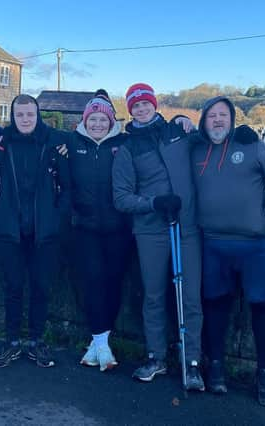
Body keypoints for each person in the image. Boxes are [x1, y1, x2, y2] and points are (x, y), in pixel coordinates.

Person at [191, 96, 265, 407]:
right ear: (203, 120)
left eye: (223, 115)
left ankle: (264, 373)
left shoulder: (251, 144)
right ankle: (216, 366)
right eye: (211, 116)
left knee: (262, 307)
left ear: (232, 119)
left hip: (256, 245)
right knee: (215, 305)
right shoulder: (195, 149)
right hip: (213, 244)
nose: (217, 120)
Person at [112, 83, 204, 390]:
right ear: (130, 110)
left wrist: (189, 122)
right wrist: (153, 203)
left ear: (155, 104)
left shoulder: (176, 132)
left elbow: (209, 142)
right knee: (153, 296)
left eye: (145, 103)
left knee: (189, 297)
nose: (141, 108)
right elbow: (121, 197)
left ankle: (191, 362)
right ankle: (156, 356)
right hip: (151, 229)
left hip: (186, 226)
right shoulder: (127, 148)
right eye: (135, 105)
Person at [0, 94, 70, 368]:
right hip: (10, 230)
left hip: (45, 231)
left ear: (38, 114)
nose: (25, 119)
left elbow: (67, 186)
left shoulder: (55, 141)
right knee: (13, 287)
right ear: (13, 116)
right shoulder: (1, 143)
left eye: (29, 114)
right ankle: (11, 341)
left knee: (41, 287)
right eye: (19, 115)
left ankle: (36, 341)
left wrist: (57, 217)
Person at [66, 90, 131, 372]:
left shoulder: (124, 143)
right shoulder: (71, 142)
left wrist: (180, 119)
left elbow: (154, 133)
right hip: (85, 227)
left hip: (118, 227)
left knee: (113, 283)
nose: (96, 124)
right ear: (85, 120)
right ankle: (101, 342)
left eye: (102, 119)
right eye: (92, 119)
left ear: (110, 121)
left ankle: (99, 342)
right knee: (91, 281)